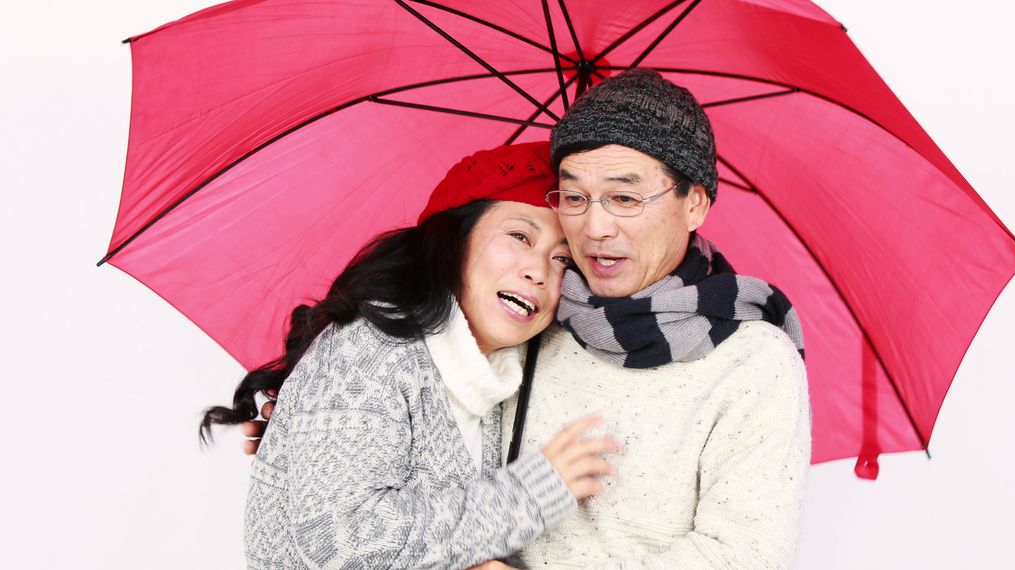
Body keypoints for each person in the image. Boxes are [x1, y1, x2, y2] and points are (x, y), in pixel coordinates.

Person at [248, 69, 812, 569]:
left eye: (624, 198)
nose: (594, 230)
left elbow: (741, 556)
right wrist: (318, 427)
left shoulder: (754, 361)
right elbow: (406, 476)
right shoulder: (544, 325)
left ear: (695, 203)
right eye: (574, 197)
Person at [201, 142, 620, 570]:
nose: (539, 270)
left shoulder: (498, 379)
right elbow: (341, 542)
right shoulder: (370, 350)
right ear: (455, 241)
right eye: (519, 236)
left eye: (563, 259)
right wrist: (531, 494)